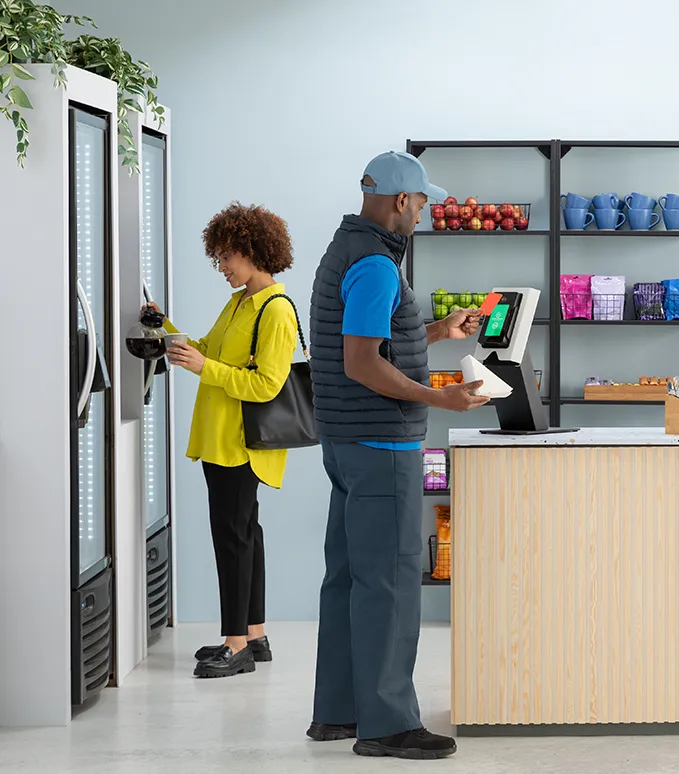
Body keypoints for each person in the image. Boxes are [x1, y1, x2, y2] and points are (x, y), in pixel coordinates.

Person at [306, 151, 490, 760]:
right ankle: (386, 724)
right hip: (382, 445)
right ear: (398, 201)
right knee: (388, 581)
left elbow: (366, 336)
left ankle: (338, 712)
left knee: (349, 578)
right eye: (422, 202)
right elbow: (362, 362)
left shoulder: (345, 250)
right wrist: (440, 395)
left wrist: (436, 332)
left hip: (344, 441)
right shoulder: (378, 264)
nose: (426, 211)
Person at [158, 202, 299, 678]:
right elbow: (209, 352)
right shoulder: (241, 302)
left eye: (226, 258)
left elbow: (267, 385)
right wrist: (166, 330)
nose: (221, 268)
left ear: (251, 251)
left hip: (240, 443)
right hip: (221, 438)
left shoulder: (276, 310)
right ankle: (254, 636)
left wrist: (206, 369)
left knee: (232, 540)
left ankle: (234, 645)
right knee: (245, 536)